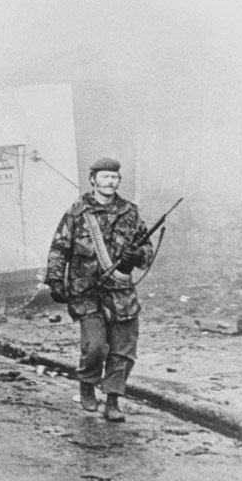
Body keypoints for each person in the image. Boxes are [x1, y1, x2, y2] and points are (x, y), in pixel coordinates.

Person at [45, 158, 154, 422]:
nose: (110, 182)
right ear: (93, 179)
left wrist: (136, 254)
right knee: (94, 346)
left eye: (115, 178)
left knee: (123, 350)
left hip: (120, 292)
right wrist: (56, 280)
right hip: (87, 291)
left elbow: (147, 250)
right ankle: (87, 383)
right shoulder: (78, 213)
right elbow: (60, 249)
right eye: (105, 177)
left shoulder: (130, 212)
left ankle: (113, 400)